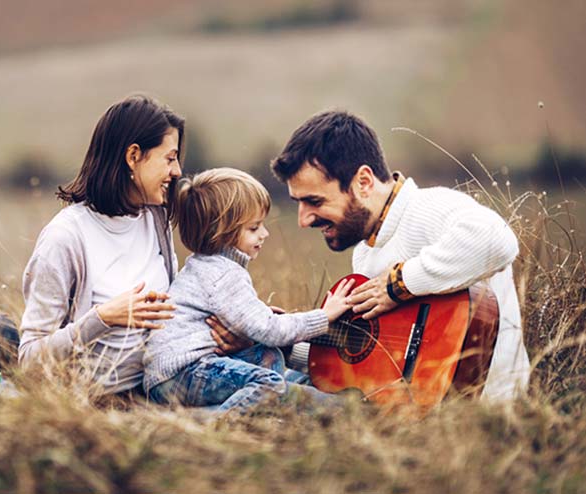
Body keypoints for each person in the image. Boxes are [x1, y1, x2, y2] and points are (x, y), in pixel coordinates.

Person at [271, 110, 530, 401]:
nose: (302, 220)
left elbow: (498, 240)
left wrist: (397, 284)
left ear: (364, 182)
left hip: (492, 413)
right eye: (299, 203)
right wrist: (279, 341)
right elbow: (373, 363)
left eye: (314, 201)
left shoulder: (431, 207)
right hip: (423, 418)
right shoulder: (366, 254)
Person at [143, 168, 354, 413]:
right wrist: (324, 317)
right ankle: (209, 423)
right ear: (222, 231)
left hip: (179, 373)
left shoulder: (208, 266)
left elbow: (254, 329)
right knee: (268, 384)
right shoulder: (224, 273)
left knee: (269, 357)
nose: (264, 234)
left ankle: (295, 404)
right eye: (254, 228)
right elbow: (270, 330)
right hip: (181, 374)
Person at [17, 95, 184, 395]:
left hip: (163, 385)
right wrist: (102, 319)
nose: (178, 171)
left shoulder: (155, 217)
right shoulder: (65, 237)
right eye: (170, 158)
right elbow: (29, 362)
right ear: (133, 156)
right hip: (99, 405)